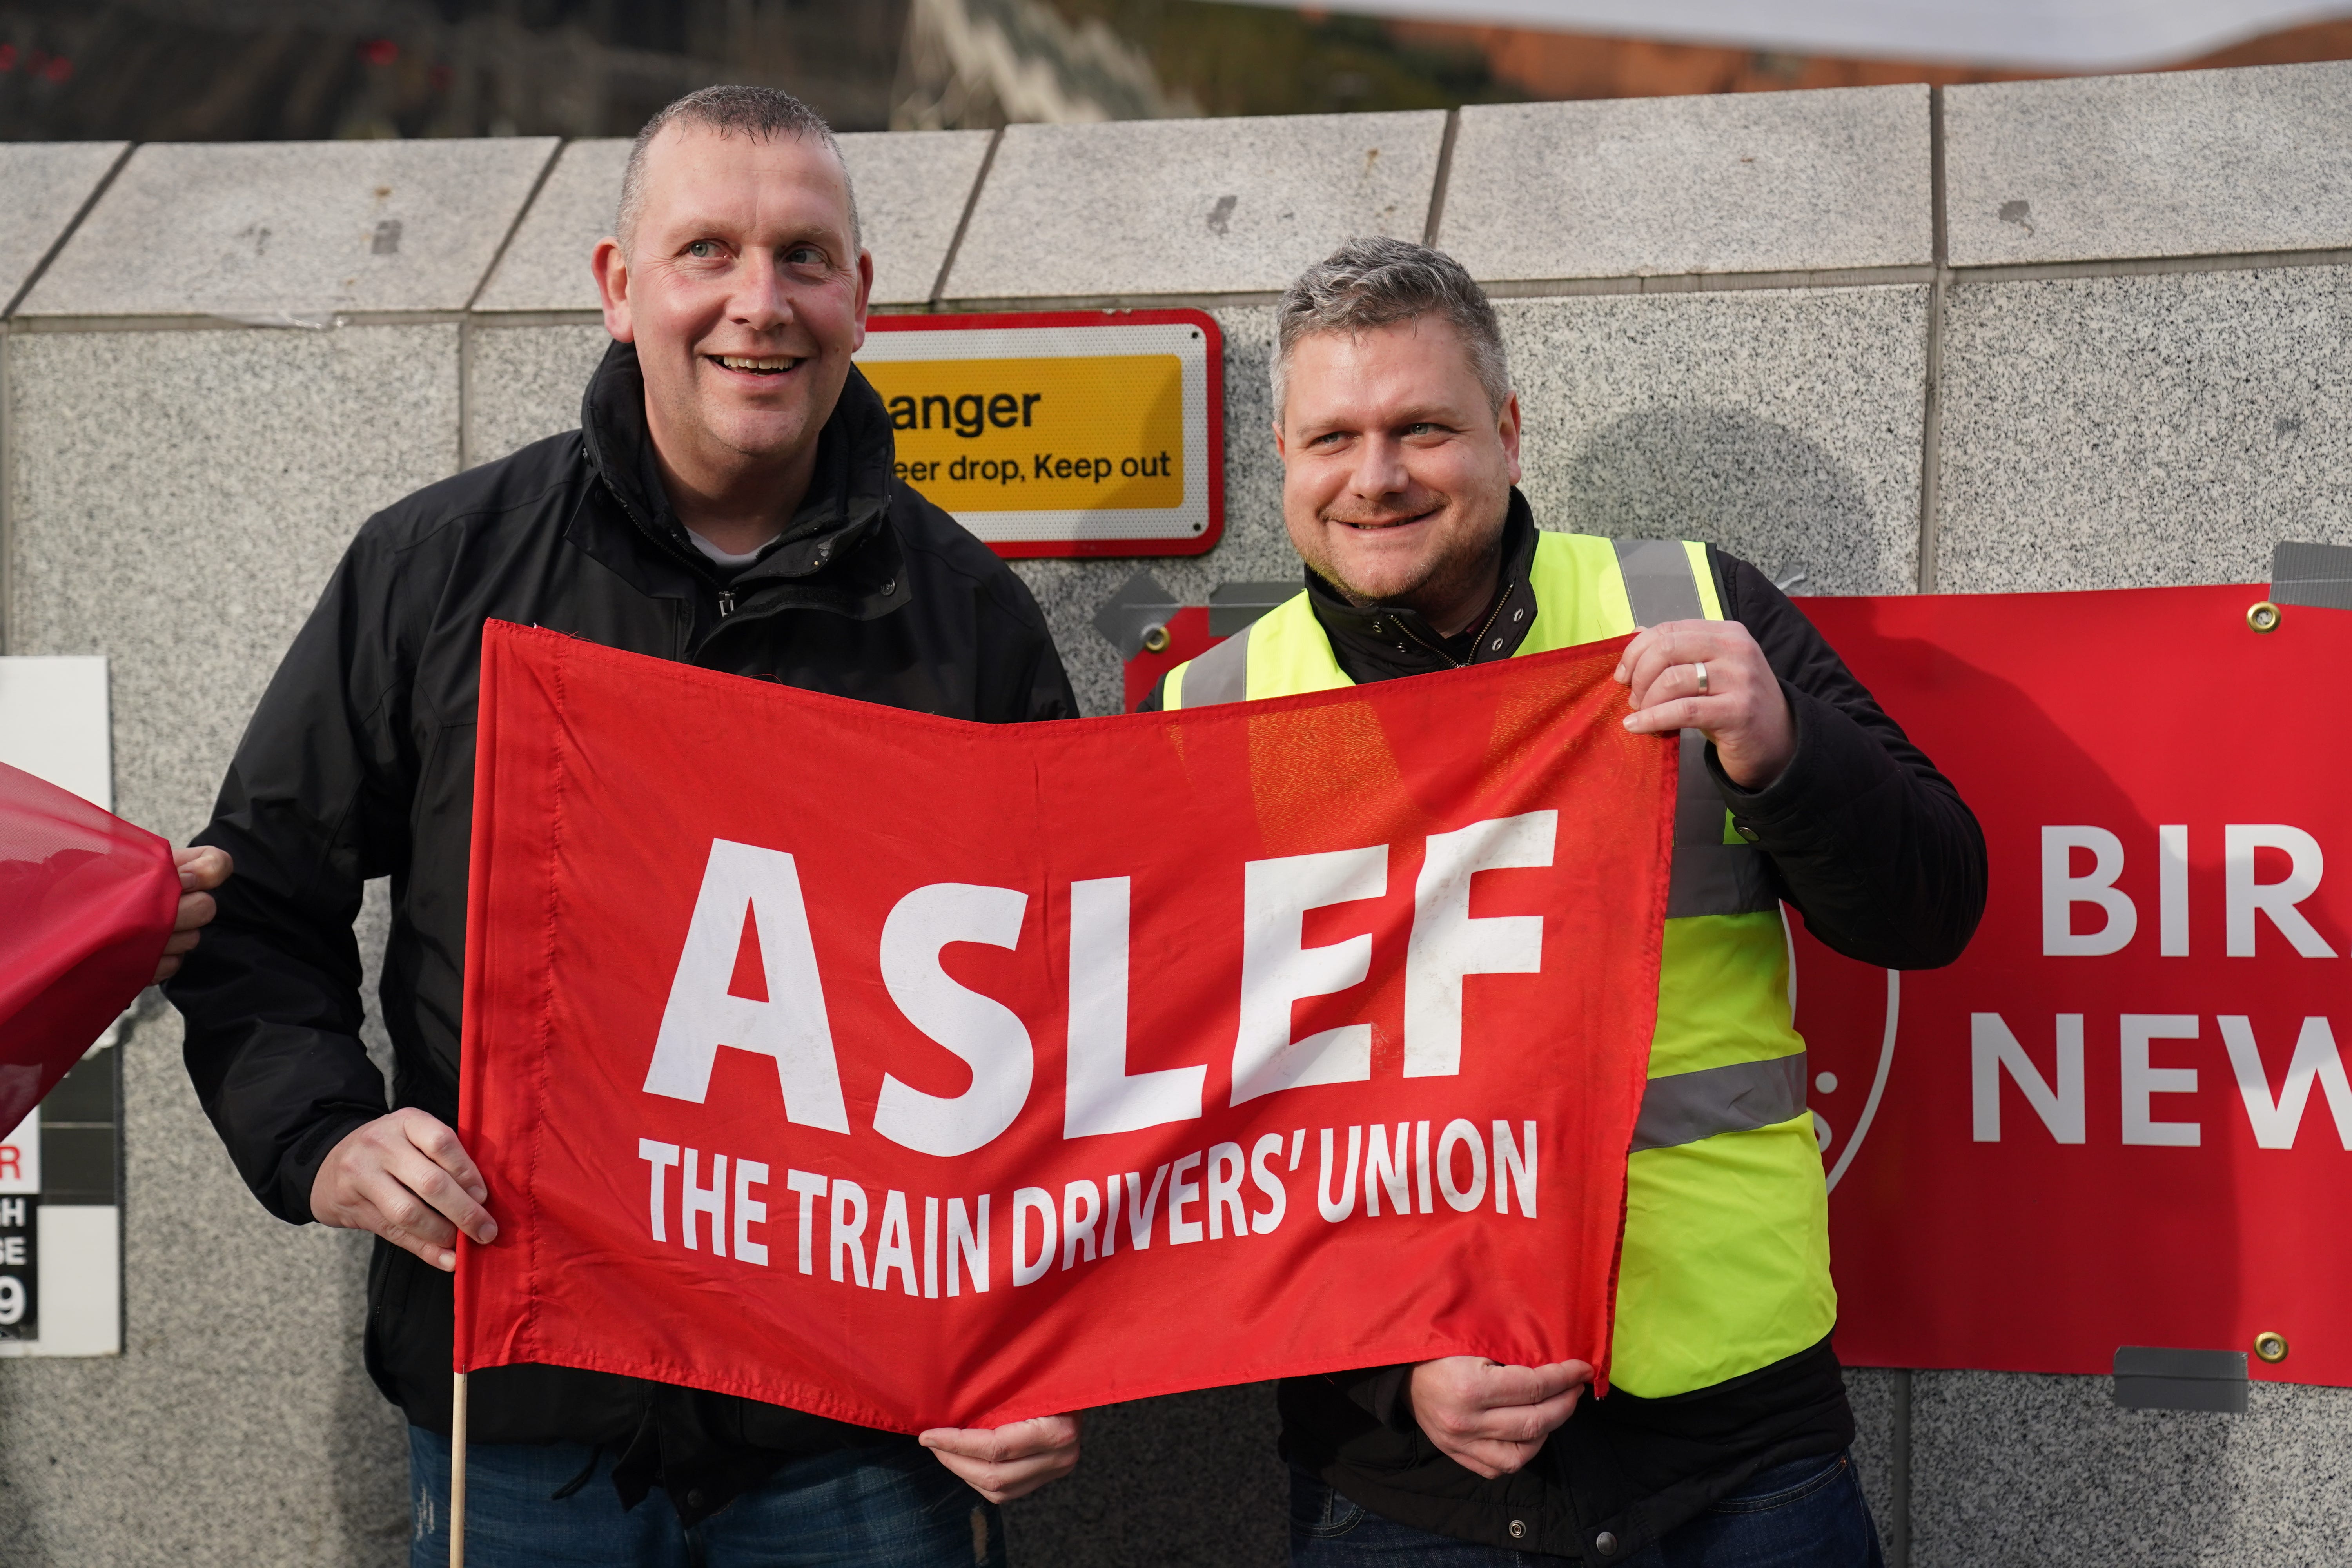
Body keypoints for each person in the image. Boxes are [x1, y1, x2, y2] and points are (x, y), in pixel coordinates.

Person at [167, 86, 1082, 1567]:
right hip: (522, 1417)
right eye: (706, 251)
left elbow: (1071, 1022)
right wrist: (321, 1135)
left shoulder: (970, 622)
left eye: (802, 256)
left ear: (862, 295)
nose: (757, 304)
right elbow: (255, 903)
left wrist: (1049, 1347)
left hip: (857, 1430)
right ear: (618, 288)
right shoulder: (437, 567)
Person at [1147, 238, 1985, 1566]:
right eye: (1334, 439)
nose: (1377, 478)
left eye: (1423, 428)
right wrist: (1386, 1376)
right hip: (1403, 1477)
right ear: (1284, 462)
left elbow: (1933, 907)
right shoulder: (1205, 716)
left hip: (1739, 1439)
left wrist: (1788, 753)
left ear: (1510, 431)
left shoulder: (1699, 609)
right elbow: (1183, 1129)